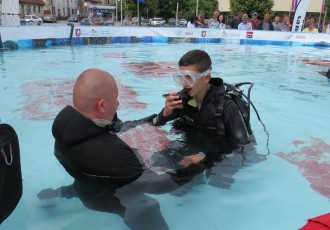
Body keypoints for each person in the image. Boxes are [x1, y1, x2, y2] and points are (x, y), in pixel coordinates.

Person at [51, 68, 143, 185]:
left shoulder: (61, 139)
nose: (117, 104)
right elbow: (151, 185)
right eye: (115, 99)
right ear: (102, 106)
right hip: (112, 198)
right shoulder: (121, 159)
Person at [151, 50, 251, 148]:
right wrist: (165, 113)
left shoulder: (227, 107)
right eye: (180, 77)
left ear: (206, 78)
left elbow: (245, 147)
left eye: (189, 77)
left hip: (215, 158)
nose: (184, 83)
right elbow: (155, 123)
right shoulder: (183, 101)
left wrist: (207, 158)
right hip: (189, 147)